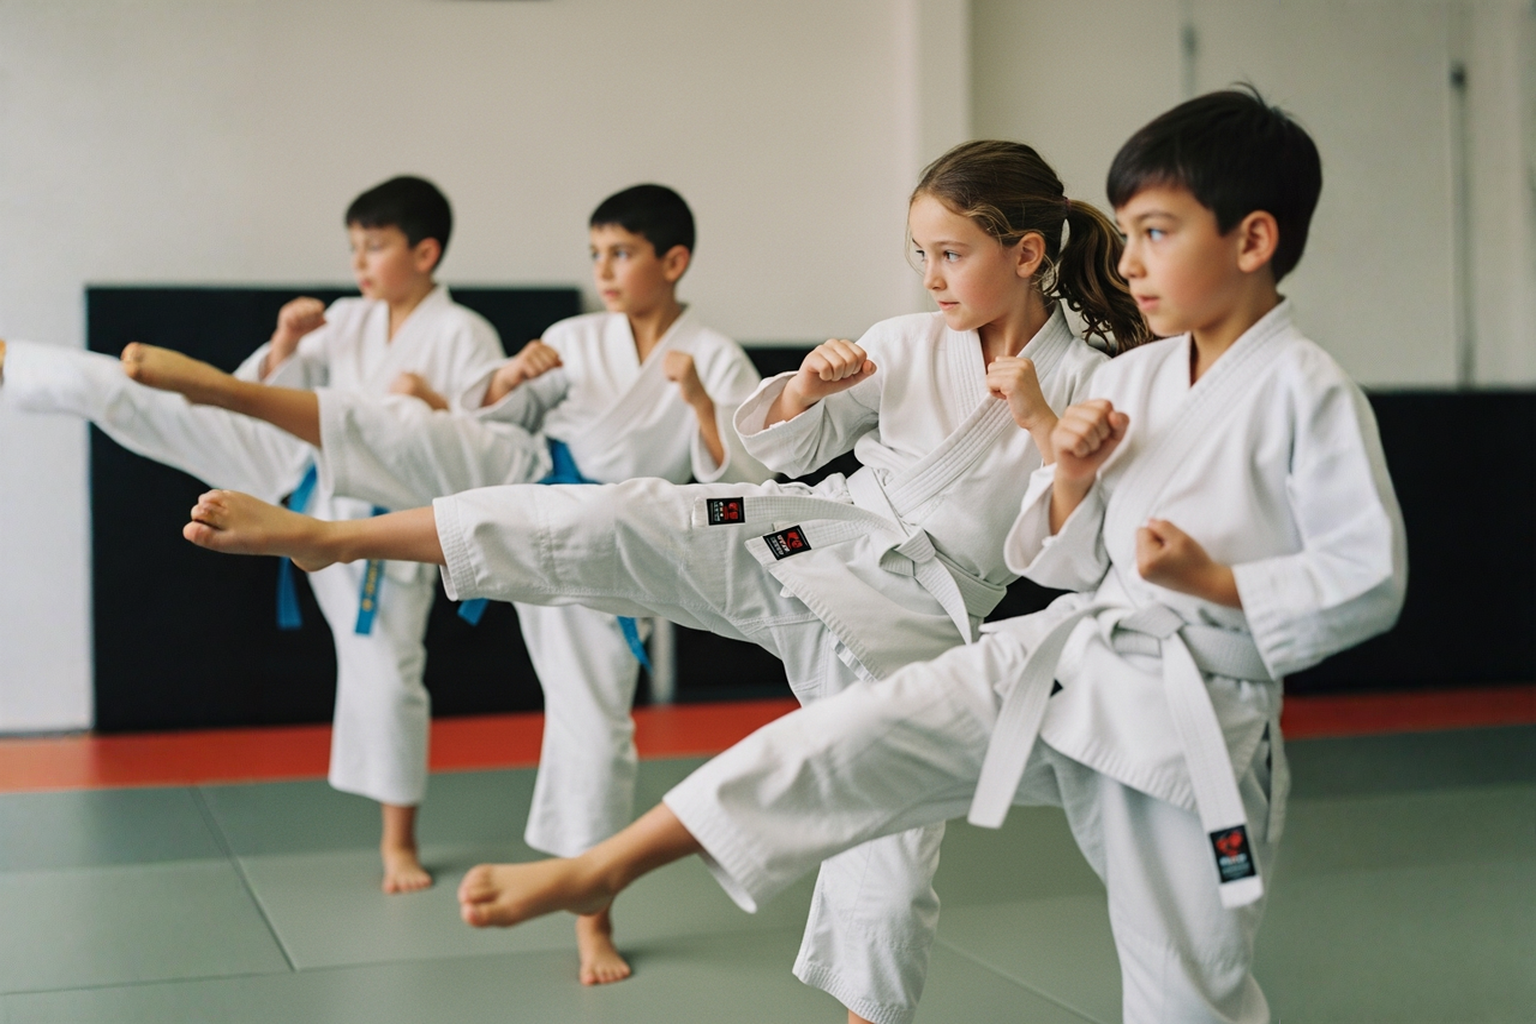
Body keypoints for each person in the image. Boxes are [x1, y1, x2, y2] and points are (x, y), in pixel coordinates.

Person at [336, 89, 1407, 1024]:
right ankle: (596, 851)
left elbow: (1345, 575)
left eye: (1156, 232)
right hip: (863, 558)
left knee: (1155, 968)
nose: (1129, 261)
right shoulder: (1041, 363)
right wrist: (805, 388)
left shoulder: (1171, 378)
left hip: (1129, 687)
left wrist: (1092, 478)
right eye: (1125, 235)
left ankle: (761, 946)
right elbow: (1022, 532)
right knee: (668, 556)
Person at [172, 140, 1148, 1024]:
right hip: (810, 533)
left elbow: (1062, 559)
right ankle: (339, 535)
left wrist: (1037, 430)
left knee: (883, 853)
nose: (930, 278)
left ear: (1024, 254)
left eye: (950, 255)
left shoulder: (1098, 374)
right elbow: (773, 453)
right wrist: (806, 388)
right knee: (627, 513)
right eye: (919, 255)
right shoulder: (901, 340)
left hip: (917, 622)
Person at [119, 183, 773, 985]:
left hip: (612, 543)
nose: (603, 270)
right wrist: (508, 380)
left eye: (622, 253)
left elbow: (740, 477)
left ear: (673, 262)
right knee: (422, 432)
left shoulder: (715, 358)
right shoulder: (572, 335)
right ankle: (244, 406)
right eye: (595, 253)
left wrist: (702, 403)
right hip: (531, 482)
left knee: (594, 723)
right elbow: (491, 415)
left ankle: (591, 914)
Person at [0, 176, 505, 895]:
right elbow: (268, 389)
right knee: (158, 403)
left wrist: (427, 402)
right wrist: (286, 342)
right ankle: (20, 361)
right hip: (297, 468)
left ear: (425, 253)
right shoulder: (348, 319)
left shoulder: (465, 334)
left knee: (390, 679)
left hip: (374, 523)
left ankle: (399, 840)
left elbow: (479, 441)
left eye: (377, 246)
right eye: (354, 247)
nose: (360, 262)